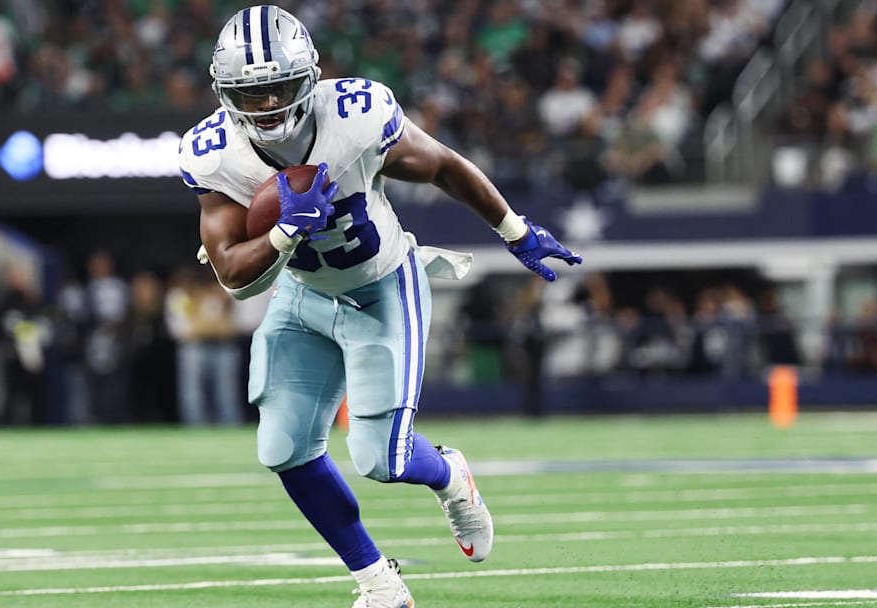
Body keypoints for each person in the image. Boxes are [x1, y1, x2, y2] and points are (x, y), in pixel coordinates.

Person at [178, 7, 582, 607]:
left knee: (381, 457)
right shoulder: (214, 154)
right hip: (301, 295)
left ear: (310, 76)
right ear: (224, 93)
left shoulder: (355, 117)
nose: (264, 106)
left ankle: (450, 476)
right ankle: (378, 583)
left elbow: (443, 164)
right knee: (283, 448)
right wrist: (287, 233)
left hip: (380, 287)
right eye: (249, 93)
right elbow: (237, 278)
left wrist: (515, 230)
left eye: (277, 88)